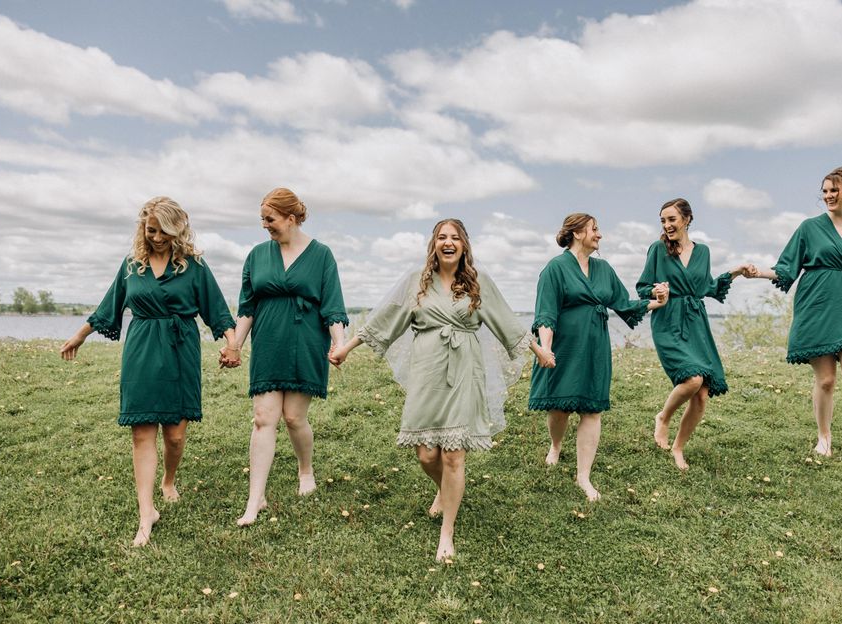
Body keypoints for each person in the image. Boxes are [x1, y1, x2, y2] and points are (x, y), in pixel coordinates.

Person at [328, 219, 552, 561]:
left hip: (465, 372)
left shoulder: (477, 283)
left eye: (455, 238)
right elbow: (384, 320)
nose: (448, 243)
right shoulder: (416, 282)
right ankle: (445, 491)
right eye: (442, 237)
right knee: (426, 455)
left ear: (464, 245)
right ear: (434, 244)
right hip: (427, 372)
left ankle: (447, 532)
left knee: (452, 455)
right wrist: (346, 348)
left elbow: (507, 320)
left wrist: (540, 351)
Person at [60, 197, 238, 546]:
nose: (157, 237)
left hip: (179, 349)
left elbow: (216, 310)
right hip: (141, 350)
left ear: (179, 230)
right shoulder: (132, 266)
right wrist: (79, 336)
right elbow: (109, 305)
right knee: (142, 434)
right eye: (151, 229)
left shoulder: (194, 266)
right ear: (143, 227)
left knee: (174, 435)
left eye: (164, 231)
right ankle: (146, 513)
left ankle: (168, 480)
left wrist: (231, 344)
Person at [744, 166, 842, 465]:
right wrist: (758, 272)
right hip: (815, 306)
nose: (828, 196)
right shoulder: (809, 228)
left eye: (834, 190)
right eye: (824, 191)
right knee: (826, 380)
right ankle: (824, 438)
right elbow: (787, 268)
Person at [528, 213, 667, 501]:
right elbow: (546, 313)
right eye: (595, 229)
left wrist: (658, 302)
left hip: (595, 347)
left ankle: (583, 477)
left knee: (592, 409)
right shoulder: (555, 268)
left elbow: (625, 304)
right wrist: (546, 348)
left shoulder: (603, 269)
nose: (599, 235)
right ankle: (556, 445)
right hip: (565, 346)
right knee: (559, 408)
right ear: (578, 233)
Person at [230, 188, 348, 526]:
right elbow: (247, 308)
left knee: (295, 418)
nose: (265, 226)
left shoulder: (322, 255)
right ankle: (255, 500)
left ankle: (305, 470)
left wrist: (338, 343)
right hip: (269, 344)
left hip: (306, 344)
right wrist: (235, 346)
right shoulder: (256, 256)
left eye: (270, 219)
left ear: (291, 218)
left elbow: (333, 305)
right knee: (264, 418)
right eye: (263, 220)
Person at [637, 198, 749, 470]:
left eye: (672, 219)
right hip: (668, 320)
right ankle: (663, 418)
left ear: (686, 219)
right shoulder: (657, 250)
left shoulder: (703, 252)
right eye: (663, 220)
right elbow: (642, 288)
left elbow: (706, 287)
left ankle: (678, 447)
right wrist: (656, 291)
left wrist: (735, 272)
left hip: (696, 322)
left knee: (702, 393)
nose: (667, 225)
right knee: (692, 379)